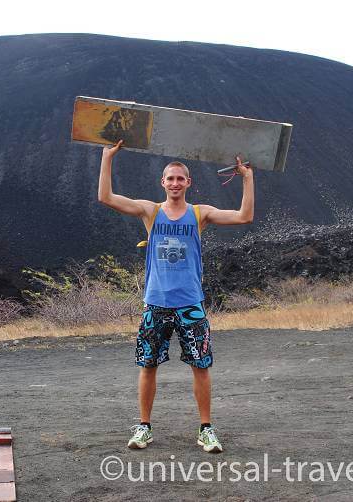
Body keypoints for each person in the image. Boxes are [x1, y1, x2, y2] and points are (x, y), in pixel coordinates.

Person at [97, 139, 256, 453]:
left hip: (190, 304)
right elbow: (106, 197)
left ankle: (205, 429)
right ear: (163, 182)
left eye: (180, 178)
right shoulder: (150, 211)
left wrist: (248, 178)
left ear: (188, 183)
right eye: (170, 178)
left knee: (201, 366)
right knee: (148, 365)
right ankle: (144, 427)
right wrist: (107, 158)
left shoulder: (200, 213)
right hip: (155, 303)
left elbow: (243, 216)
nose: (174, 183)